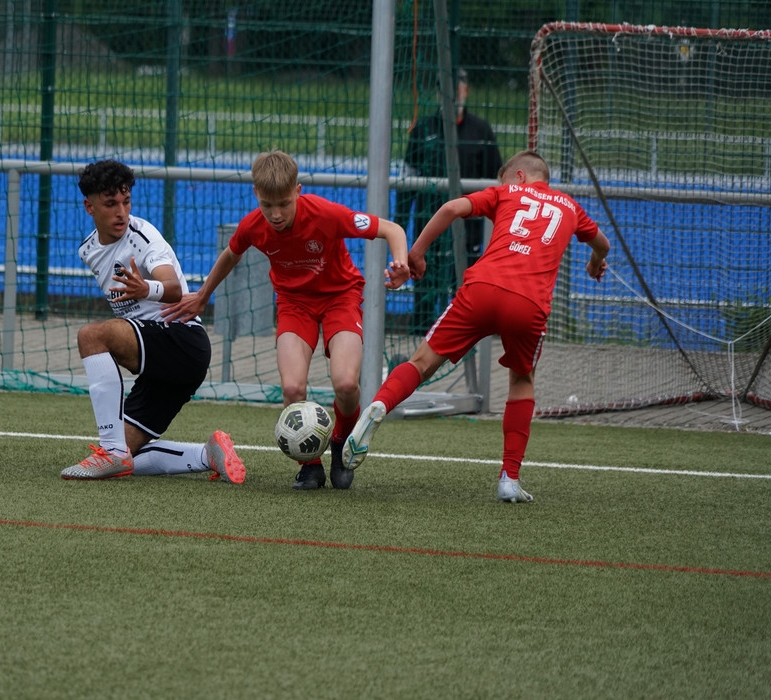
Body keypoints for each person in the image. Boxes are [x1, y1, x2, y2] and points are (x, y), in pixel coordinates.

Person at [342, 150, 610, 502]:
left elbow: (451, 208)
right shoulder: (571, 207)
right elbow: (602, 243)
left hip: (481, 289)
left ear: (518, 176)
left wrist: (416, 254)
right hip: (528, 303)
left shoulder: (506, 192)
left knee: (421, 363)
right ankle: (509, 478)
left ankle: (379, 404)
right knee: (522, 380)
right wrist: (595, 262)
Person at [162, 150, 410, 490]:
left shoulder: (326, 214)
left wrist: (400, 263)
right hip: (294, 304)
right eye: (267, 205)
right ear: (256, 195)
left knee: (346, 384)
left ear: (298, 191)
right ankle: (309, 466)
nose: (275, 214)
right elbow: (231, 253)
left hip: (341, 298)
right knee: (292, 388)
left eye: (283, 204)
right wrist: (203, 295)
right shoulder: (253, 225)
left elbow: (392, 229)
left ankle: (340, 443)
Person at [59, 159, 246, 485]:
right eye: (111, 204)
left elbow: (173, 288)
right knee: (130, 455)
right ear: (90, 207)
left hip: (182, 340)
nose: (121, 212)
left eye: (126, 201)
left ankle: (111, 452)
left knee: (91, 336)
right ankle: (208, 454)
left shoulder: (142, 237)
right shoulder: (88, 250)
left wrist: (146, 289)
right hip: (158, 359)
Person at [396, 68, 502, 333]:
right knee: (425, 291)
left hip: (469, 230)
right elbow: (408, 180)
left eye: (458, 87)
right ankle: (420, 337)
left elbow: (497, 185)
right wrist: (400, 225)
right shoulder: (423, 128)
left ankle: (463, 341)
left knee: (465, 292)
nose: (453, 94)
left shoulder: (482, 130)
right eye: (447, 88)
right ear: (438, 92)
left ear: (466, 90)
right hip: (429, 225)